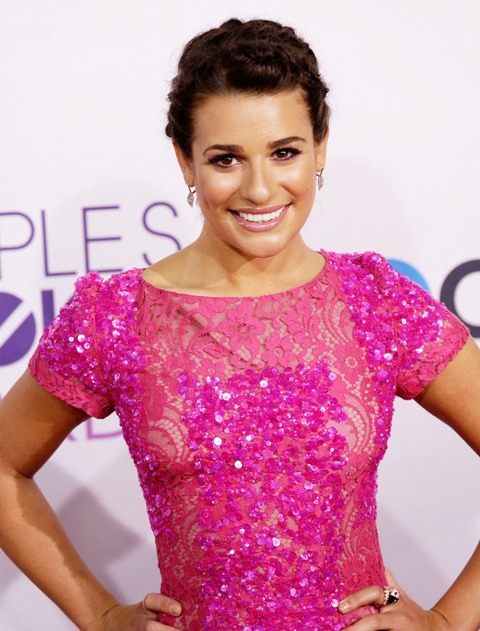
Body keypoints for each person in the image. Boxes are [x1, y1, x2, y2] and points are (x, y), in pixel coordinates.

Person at [0, 17, 479, 631]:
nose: (259, 189)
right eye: (226, 159)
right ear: (185, 161)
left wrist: (446, 622)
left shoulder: (376, 301)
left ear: (320, 147)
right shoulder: (114, 317)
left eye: (284, 153)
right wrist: (99, 616)